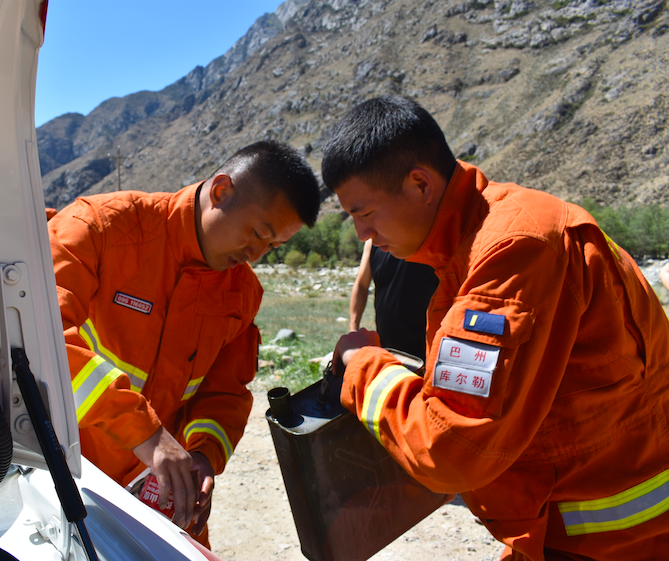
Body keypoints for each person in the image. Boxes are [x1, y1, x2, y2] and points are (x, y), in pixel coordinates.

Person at [322, 96, 669, 560]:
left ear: (420, 183)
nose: (362, 235)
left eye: (364, 213)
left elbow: (448, 446)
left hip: (607, 537)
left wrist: (360, 363)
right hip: (577, 521)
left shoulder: (511, 250)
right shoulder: (481, 234)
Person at [48, 140, 321, 547]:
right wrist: (146, 434)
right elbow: (39, 340)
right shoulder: (100, 227)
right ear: (221, 191)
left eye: (273, 246)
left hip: (160, 496)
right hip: (65, 479)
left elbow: (224, 392)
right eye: (258, 233)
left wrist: (202, 455)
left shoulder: (242, 294)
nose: (256, 255)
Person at [350, 238, 438, 360]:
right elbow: (361, 285)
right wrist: (353, 329)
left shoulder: (427, 235)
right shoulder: (373, 242)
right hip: (387, 348)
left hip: (427, 349)